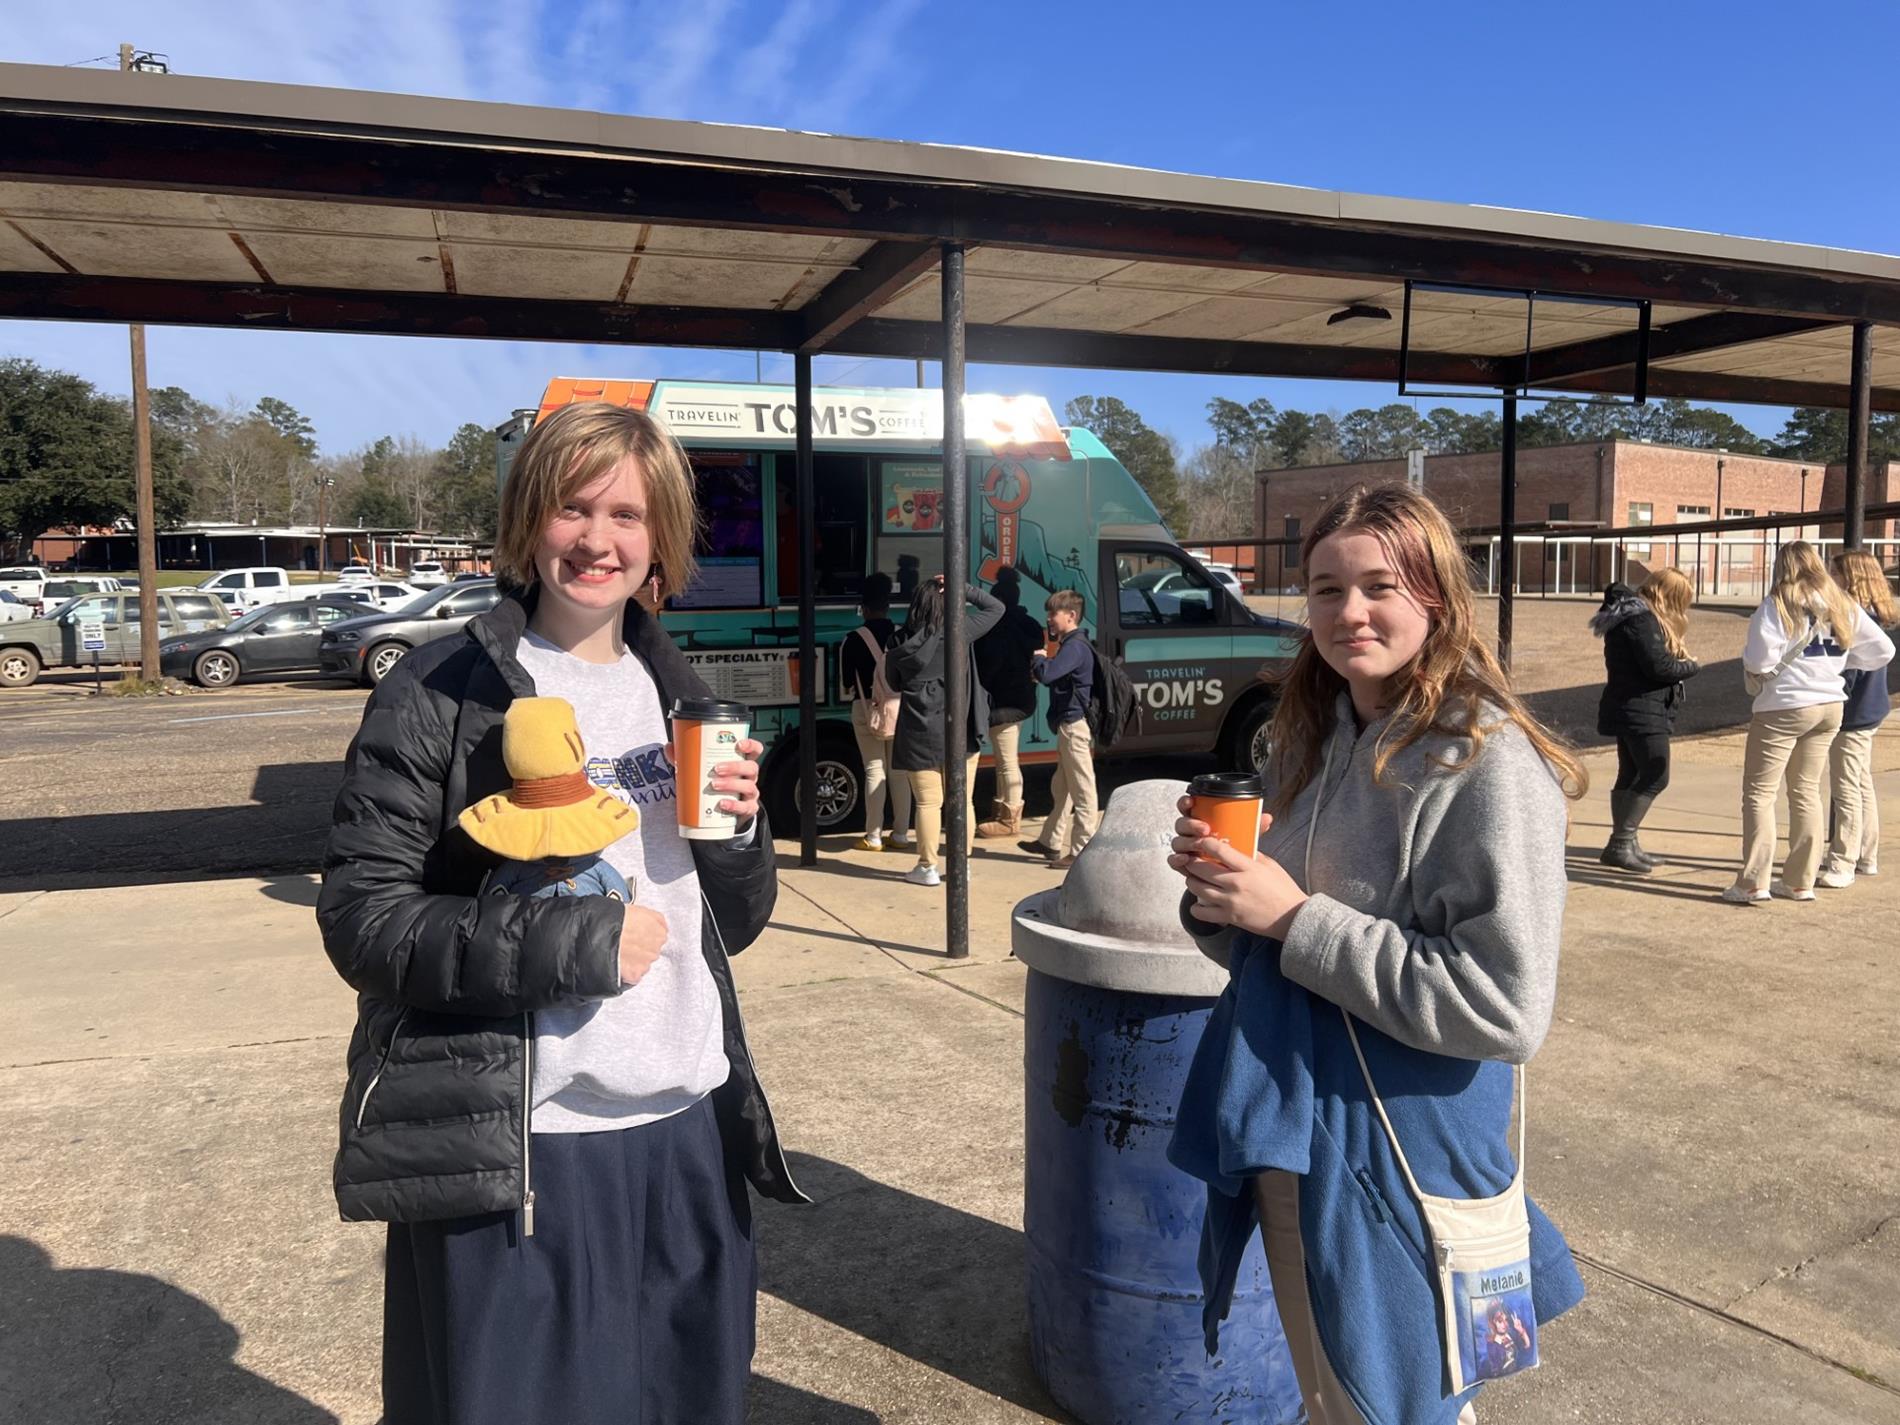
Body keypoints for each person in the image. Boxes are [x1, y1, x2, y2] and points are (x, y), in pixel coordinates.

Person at [317, 402, 805, 1425]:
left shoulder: (679, 688)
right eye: (573, 508)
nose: (598, 539)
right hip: (527, 1138)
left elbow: (737, 921)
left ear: (659, 535)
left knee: (687, 1403)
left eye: (626, 514)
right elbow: (364, 919)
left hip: (685, 1121)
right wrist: (575, 943)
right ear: (529, 518)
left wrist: (742, 835)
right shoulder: (442, 691)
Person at [1166, 484, 1587, 1425]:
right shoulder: (1315, 736)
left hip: (1398, 1150)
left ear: (1436, 596)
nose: (1348, 611)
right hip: (1295, 1127)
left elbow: (1505, 1006)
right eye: (1323, 589)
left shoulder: (1484, 760)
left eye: (1379, 585)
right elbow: (1271, 936)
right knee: (1337, 1395)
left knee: (1394, 1404)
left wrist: (1292, 917)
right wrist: (1221, 893)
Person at [1726, 541, 1894, 904]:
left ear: (1782, 566)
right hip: (1830, 704)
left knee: (1760, 794)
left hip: (1783, 707)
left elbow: (1758, 661)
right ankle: (1800, 881)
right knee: (1806, 793)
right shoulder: (1841, 602)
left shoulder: (1776, 604)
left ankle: (1753, 882)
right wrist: (1839, 667)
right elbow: (1883, 650)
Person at [886, 573, 1003, 887]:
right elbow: (996, 608)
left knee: (927, 803)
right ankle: (960, 866)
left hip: (917, 731)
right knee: (962, 802)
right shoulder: (959, 632)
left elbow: (893, 682)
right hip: (959, 728)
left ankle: (927, 867)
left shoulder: (899, 641)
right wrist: (963, 588)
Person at [1589, 567, 1699, 873]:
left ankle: (1626, 841)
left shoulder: (1631, 615)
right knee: (1655, 773)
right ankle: (1621, 843)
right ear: (1670, 595)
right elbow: (1659, 667)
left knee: (1631, 773)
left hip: (1633, 705)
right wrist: (1691, 667)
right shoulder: (1641, 619)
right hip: (1641, 709)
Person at [1819, 549, 1898, 888]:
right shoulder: (1876, 613)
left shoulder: (1853, 615)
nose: (1828, 578)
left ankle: (1843, 861)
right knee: (1860, 782)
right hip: (1870, 708)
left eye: (1833, 572)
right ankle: (1865, 854)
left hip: (1854, 711)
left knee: (1846, 786)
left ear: (1849, 577)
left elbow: (1846, 668)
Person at [1020, 589, 1098, 868]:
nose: (1049, 619)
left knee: (1082, 790)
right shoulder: (1073, 644)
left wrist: (1040, 657)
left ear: (1071, 615)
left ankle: (1081, 850)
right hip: (1070, 725)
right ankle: (1050, 842)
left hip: (1074, 726)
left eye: (1054, 613)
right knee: (1061, 787)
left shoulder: (1075, 646)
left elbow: (1048, 675)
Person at [841, 570, 914, 853]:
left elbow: (848, 682)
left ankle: (873, 837)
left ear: (864, 608)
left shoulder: (852, 639)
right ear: (887, 605)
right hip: (900, 709)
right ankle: (901, 835)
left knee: (874, 769)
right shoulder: (902, 637)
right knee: (899, 772)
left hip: (866, 708)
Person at [974, 566, 1044, 840]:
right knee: (1006, 760)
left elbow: (986, 666)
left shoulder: (992, 628)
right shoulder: (1029, 625)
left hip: (1000, 702)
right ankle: (1002, 812)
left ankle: (1009, 818)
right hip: (1022, 700)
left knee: (1005, 762)